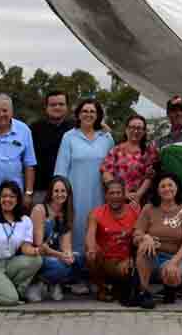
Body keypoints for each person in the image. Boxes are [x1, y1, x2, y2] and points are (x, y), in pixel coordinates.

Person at [54, 99, 114, 254]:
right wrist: (60, 197)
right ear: (78, 115)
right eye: (85, 111)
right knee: (76, 227)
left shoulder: (106, 138)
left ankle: (95, 262)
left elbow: (113, 167)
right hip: (75, 195)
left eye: (92, 111)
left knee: (98, 229)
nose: (88, 114)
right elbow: (61, 169)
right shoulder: (69, 137)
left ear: (98, 115)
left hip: (99, 195)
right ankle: (72, 261)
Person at [133, 173, 182, 309]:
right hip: (152, 255)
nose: (167, 189)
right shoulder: (148, 208)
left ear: (177, 187)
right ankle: (144, 292)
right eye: (163, 186)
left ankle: (170, 290)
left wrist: (173, 262)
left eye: (170, 185)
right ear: (157, 190)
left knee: (172, 276)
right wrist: (146, 237)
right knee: (143, 247)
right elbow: (137, 233)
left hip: (173, 257)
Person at [0, 94, 37, 217]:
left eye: (5, 111)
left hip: (13, 196)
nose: (1, 114)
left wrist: (28, 193)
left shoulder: (24, 130)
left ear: (12, 112)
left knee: (13, 233)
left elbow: (29, 165)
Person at [27, 175, 84, 302]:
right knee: (59, 266)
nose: (60, 194)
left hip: (55, 255)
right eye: (56, 191)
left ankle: (54, 283)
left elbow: (66, 244)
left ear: (68, 193)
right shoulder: (40, 210)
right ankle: (37, 283)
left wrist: (68, 255)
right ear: (50, 193)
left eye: (63, 191)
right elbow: (39, 244)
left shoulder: (67, 212)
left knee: (79, 259)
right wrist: (60, 255)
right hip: (38, 255)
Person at [86, 180, 139, 303]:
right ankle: (102, 289)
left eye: (118, 193)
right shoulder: (96, 213)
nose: (115, 196)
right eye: (112, 193)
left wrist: (132, 259)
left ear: (124, 194)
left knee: (130, 268)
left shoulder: (134, 212)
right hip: (104, 260)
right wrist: (91, 248)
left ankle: (119, 288)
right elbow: (90, 235)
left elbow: (140, 234)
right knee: (90, 255)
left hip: (125, 261)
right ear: (106, 195)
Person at [102, 114, 159, 207]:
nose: (135, 131)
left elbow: (150, 176)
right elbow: (106, 173)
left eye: (139, 128)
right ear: (126, 129)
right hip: (117, 199)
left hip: (140, 201)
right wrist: (123, 192)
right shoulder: (116, 150)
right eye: (132, 127)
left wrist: (138, 195)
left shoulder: (149, 151)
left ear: (144, 131)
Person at [30, 90, 74, 205]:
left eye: (61, 104)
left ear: (67, 107)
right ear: (46, 107)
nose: (57, 107)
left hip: (68, 190)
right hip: (40, 190)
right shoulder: (34, 129)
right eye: (53, 105)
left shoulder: (76, 128)